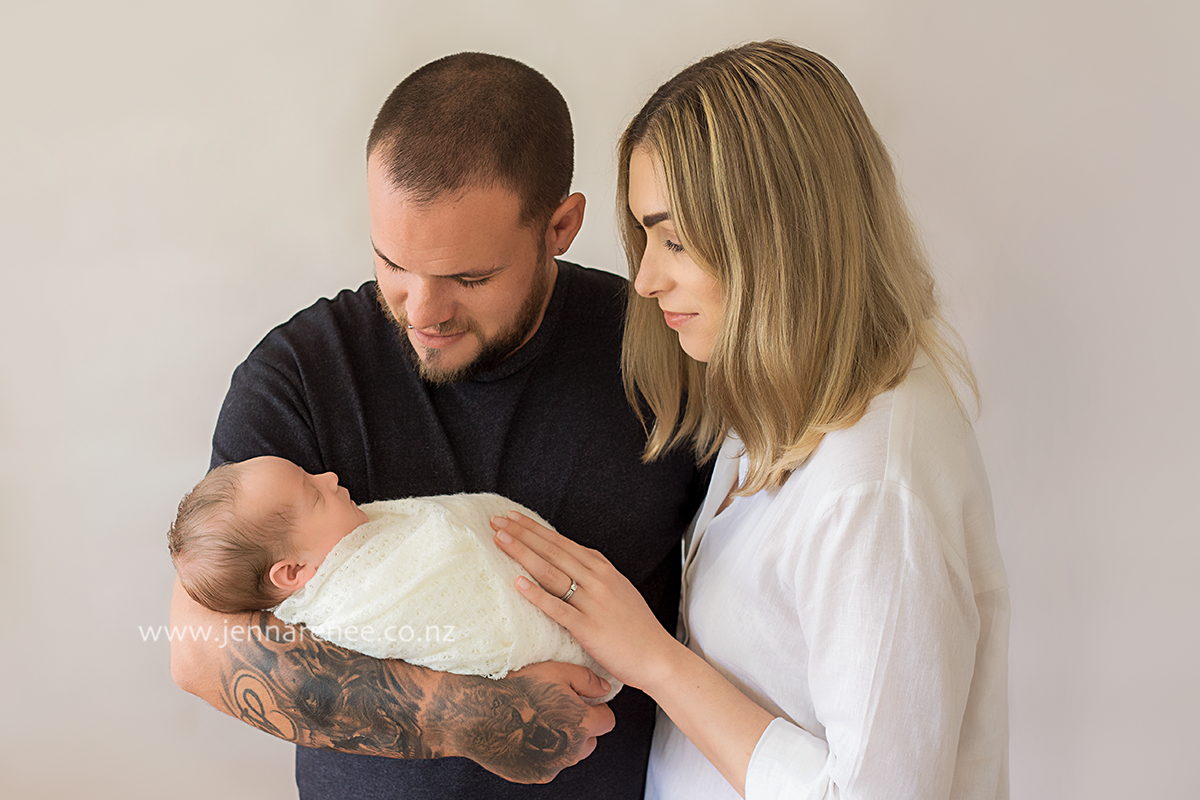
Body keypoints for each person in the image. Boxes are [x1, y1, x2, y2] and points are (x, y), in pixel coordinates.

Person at [168, 52, 707, 799]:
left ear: (561, 226)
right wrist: (471, 717)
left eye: (469, 279)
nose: (422, 313)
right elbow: (202, 650)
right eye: (394, 263)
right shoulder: (299, 374)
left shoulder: (664, 352)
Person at [493, 40, 1010, 799]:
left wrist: (654, 660)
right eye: (646, 238)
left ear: (776, 233)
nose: (645, 278)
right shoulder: (778, 404)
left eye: (673, 239)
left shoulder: (871, 488)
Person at [167, 455, 618, 698]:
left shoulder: (356, 536)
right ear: (293, 572)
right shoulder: (349, 609)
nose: (329, 476)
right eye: (315, 493)